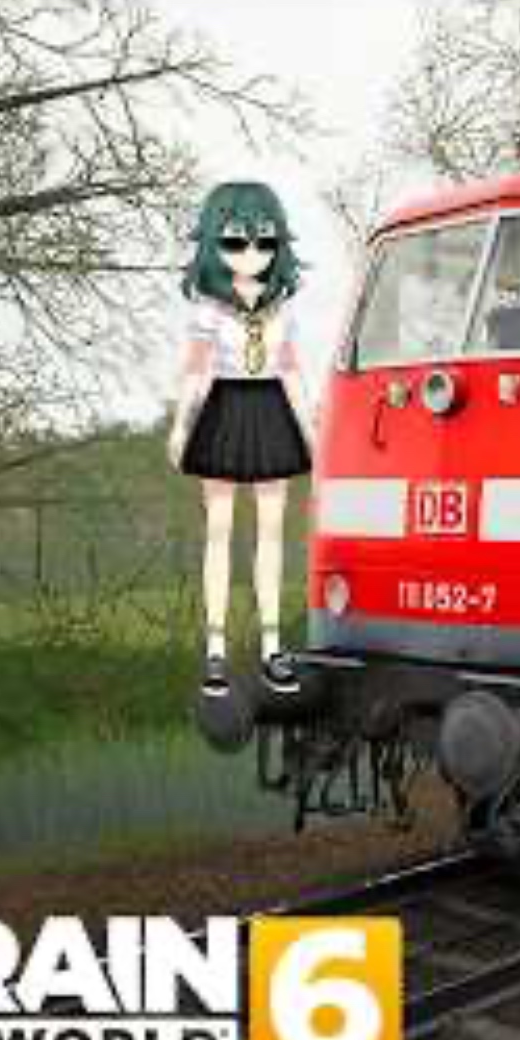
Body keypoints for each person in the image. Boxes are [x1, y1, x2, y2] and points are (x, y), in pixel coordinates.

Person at [166, 180, 317, 698]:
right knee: (220, 531)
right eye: (235, 241)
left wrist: (310, 428)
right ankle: (215, 651)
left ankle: (272, 647)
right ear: (214, 244)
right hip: (224, 410)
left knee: (271, 533)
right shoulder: (208, 311)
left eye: (263, 240)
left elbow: (292, 371)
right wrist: (182, 425)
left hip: (272, 411)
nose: (251, 253)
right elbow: (195, 372)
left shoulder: (284, 312)